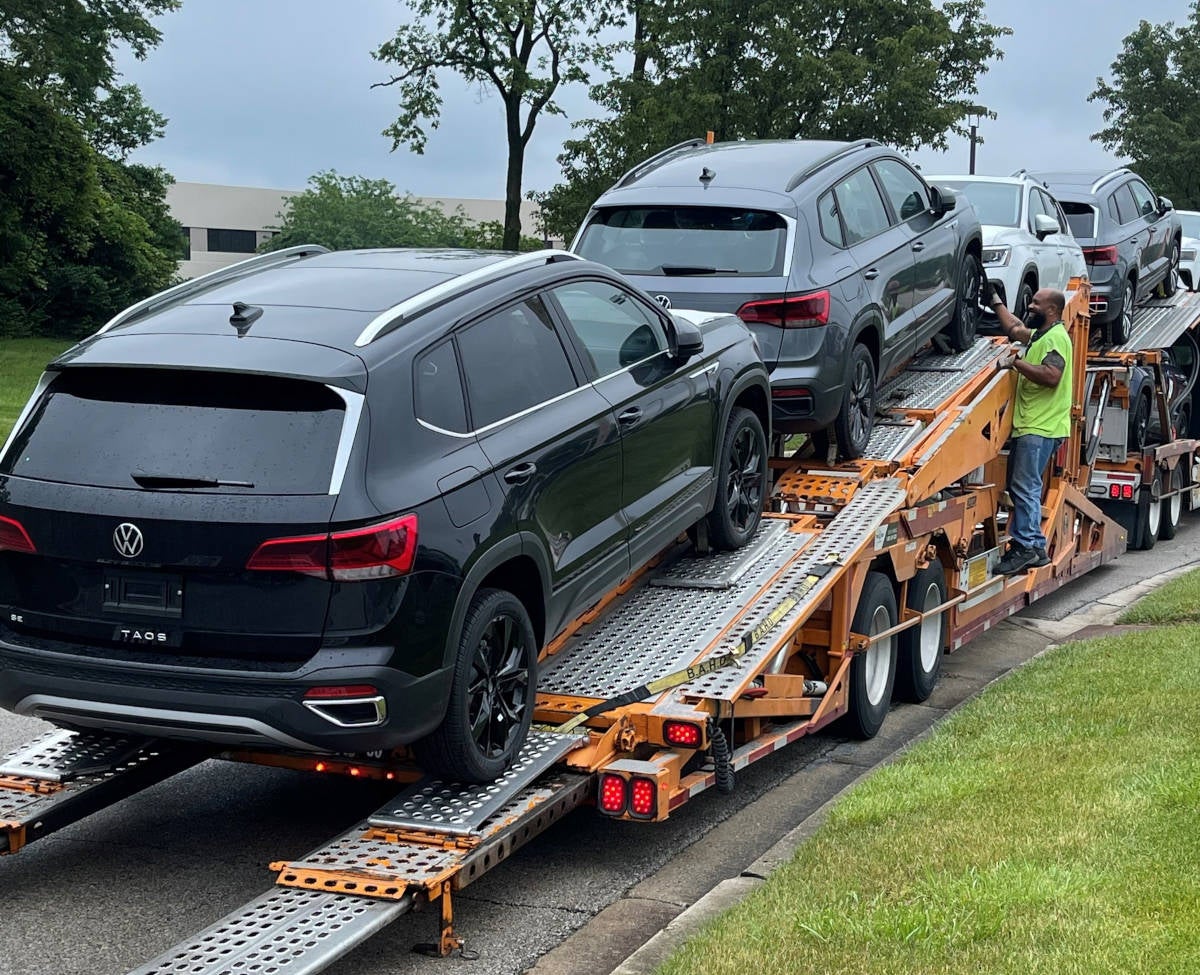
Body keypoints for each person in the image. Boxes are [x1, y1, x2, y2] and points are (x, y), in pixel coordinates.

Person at [983, 283, 1073, 574]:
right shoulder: (1040, 335)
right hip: (1034, 426)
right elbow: (1016, 329)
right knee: (1023, 487)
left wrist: (1016, 364)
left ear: (1052, 310)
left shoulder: (1056, 339)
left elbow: (1052, 376)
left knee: (1025, 488)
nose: (1030, 306)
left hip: (1041, 427)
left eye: (1036, 303)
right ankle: (1033, 547)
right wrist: (996, 301)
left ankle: (1026, 546)